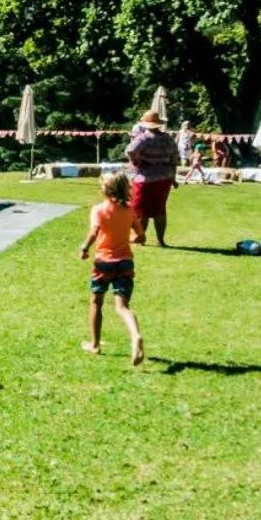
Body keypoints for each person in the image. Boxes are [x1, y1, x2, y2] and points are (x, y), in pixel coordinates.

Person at [78, 171, 145, 366]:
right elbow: (141, 236)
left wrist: (84, 248)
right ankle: (135, 335)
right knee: (122, 307)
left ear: (105, 190)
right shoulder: (129, 211)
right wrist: (129, 240)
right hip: (125, 263)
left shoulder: (98, 210)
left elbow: (94, 232)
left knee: (96, 302)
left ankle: (95, 344)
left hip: (104, 263)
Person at [125, 109, 180, 246]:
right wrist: (173, 177)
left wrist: (136, 162)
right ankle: (160, 240)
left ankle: (140, 238)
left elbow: (130, 150)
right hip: (164, 178)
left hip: (145, 178)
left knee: (140, 209)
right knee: (160, 209)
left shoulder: (143, 138)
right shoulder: (168, 139)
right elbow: (174, 159)